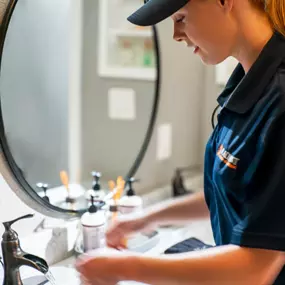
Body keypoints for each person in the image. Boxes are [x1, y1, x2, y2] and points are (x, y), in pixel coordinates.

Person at [76, 0, 285, 284]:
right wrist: (144, 219)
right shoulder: (245, 86)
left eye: (180, 17)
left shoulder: (280, 104)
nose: (176, 34)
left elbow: (257, 267)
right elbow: (235, 193)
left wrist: (125, 267)